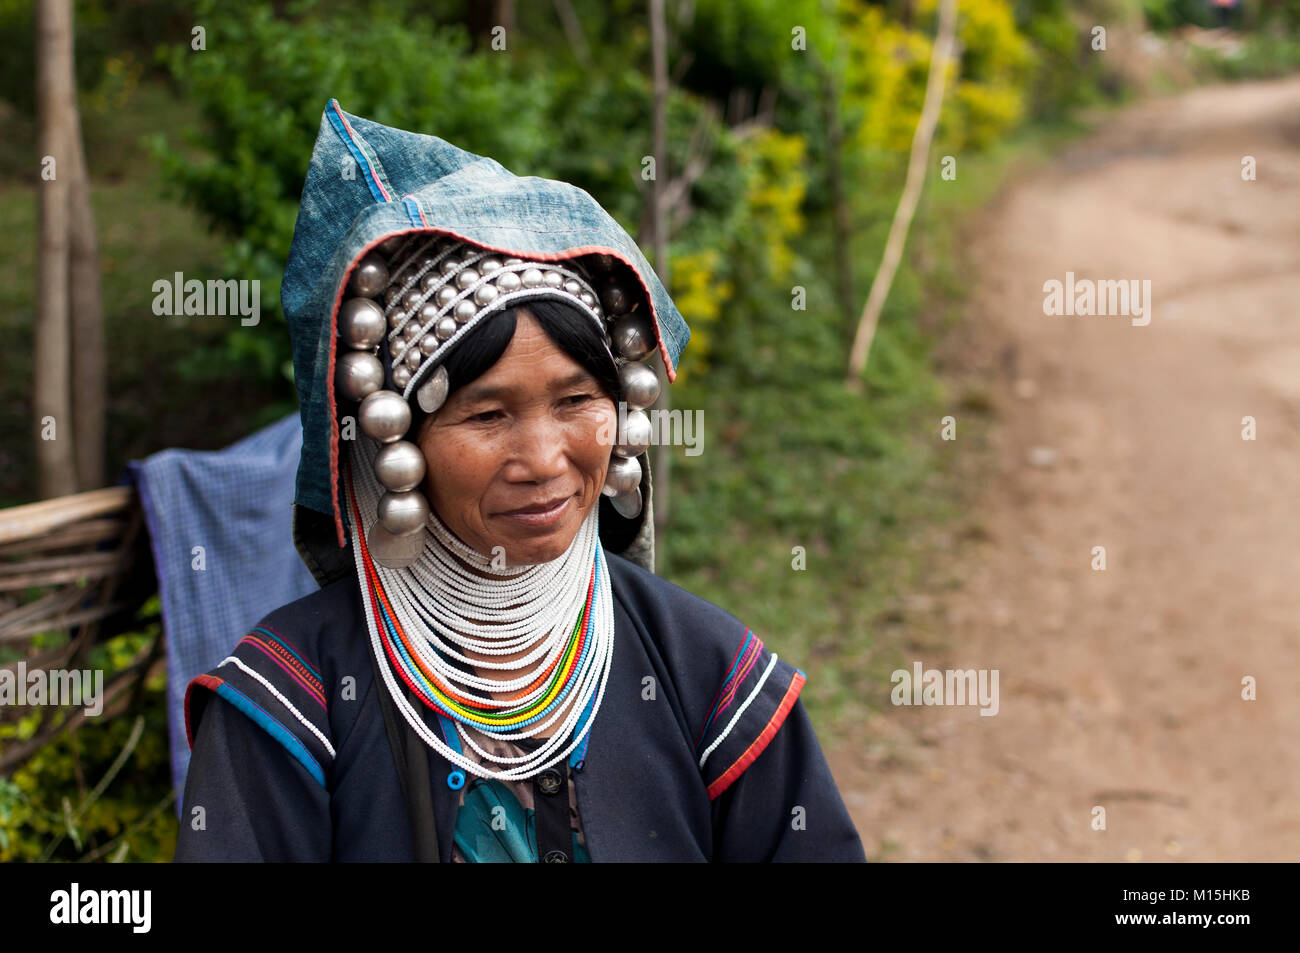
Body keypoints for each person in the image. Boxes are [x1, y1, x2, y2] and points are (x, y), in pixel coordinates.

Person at [174, 101, 865, 863]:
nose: (542, 458)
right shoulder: (292, 704)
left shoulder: (707, 671)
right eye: (487, 414)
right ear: (391, 436)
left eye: (575, 402)